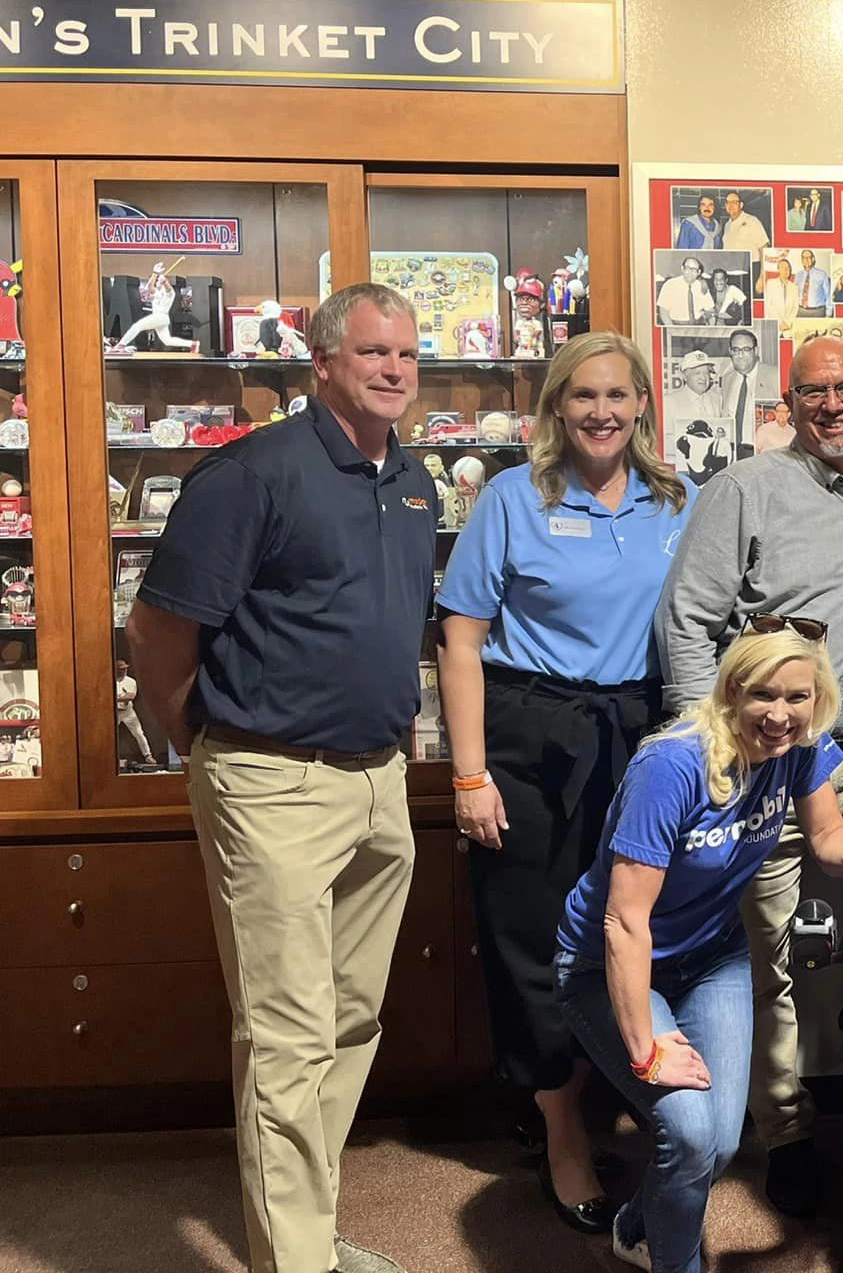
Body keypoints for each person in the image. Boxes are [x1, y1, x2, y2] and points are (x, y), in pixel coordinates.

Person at [125, 284, 436, 1273]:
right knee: (288, 1035)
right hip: (272, 781)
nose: (393, 370)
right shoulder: (253, 475)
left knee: (348, 1021)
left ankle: (306, 1229)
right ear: (324, 362)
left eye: (406, 356)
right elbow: (159, 633)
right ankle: (294, 1262)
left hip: (379, 781)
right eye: (373, 353)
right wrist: (207, 744)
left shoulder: (414, 478)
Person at [656, 335, 843, 1214]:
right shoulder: (744, 490)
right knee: (768, 948)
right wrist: (709, 743)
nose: (833, 405)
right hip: (773, 757)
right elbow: (688, 620)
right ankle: (782, 1131)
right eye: (814, 392)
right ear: (789, 401)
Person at [434, 333, 693, 1232]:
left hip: (642, 731)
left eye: (618, 395)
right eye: (582, 396)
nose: (601, 413)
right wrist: (470, 775)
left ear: (642, 406)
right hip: (530, 733)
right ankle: (560, 1129)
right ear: (554, 406)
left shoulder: (677, 501)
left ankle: (608, 1095)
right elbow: (459, 640)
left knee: (627, 923)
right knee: (530, 931)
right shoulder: (514, 497)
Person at [557, 626, 843, 1272]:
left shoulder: (801, 744)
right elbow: (625, 921)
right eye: (762, 695)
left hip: (712, 958)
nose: (779, 714)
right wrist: (645, 1049)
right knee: (688, 1132)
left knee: (720, 1145)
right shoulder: (672, 764)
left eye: (797, 697)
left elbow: (826, 834)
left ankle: (638, 1224)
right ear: (731, 691)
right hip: (611, 965)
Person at [656, 257, 713, 327]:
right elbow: (663, 311)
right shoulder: (670, 284)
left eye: (694, 269)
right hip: (676, 325)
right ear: (682, 269)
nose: (690, 272)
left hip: (699, 326)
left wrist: (710, 328)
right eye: (688, 268)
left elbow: (710, 310)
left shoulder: (702, 286)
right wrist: (673, 329)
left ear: (699, 272)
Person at [719, 191, 770, 259]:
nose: (731, 205)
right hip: (733, 265)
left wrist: (763, 268)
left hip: (751, 265)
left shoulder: (752, 220)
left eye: (734, 202)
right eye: (728, 202)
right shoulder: (727, 225)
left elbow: (763, 247)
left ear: (741, 205)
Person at [758, 255, 796, 331]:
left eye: (787, 268)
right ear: (778, 270)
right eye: (782, 267)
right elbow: (768, 305)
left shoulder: (794, 287)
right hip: (775, 325)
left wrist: (787, 323)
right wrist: (780, 322)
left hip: (789, 327)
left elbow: (795, 308)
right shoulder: (770, 283)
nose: (785, 270)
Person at [793, 249, 832, 318]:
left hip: (817, 312)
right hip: (801, 311)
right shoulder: (798, 275)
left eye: (808, 257)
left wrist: (829, 313)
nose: (806, 260)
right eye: (804, 258)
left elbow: (828, 295)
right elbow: (794, 294)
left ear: (813, 259)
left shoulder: (822, 274)